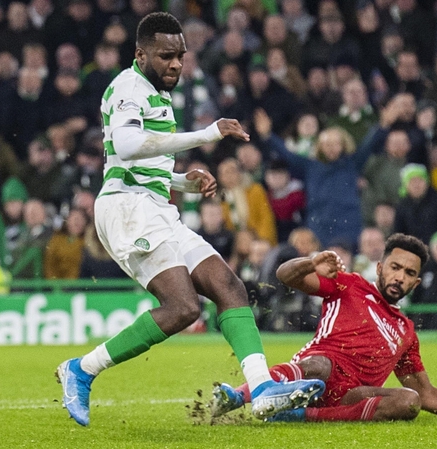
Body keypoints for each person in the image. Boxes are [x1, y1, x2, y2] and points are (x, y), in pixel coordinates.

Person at [55, 12, 324, 427]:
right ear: (140, 54)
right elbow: (126, 146)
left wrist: (181, 182)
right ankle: (83, 369)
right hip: (127, 208)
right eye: (166, 56)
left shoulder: (156, 91)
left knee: (229, 286)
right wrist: (207, 134)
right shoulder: (130, 88)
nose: (176, 64)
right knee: (182, 307)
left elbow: (135, 158)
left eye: (180, 55)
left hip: (155, 204)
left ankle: (263, 390)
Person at [210, 233, 437, 422]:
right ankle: (239, 395)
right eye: (395, 267)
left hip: (353, 395)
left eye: (409, 273)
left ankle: (302, 415)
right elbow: (284, 275)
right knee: (321, 365)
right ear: (380, 268)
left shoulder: (406, 331)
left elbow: (425, 392)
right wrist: (311, 264)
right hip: (317, 371)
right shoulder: (349, 284)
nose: (400, 277)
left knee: (409, 401)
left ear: (416, 282)